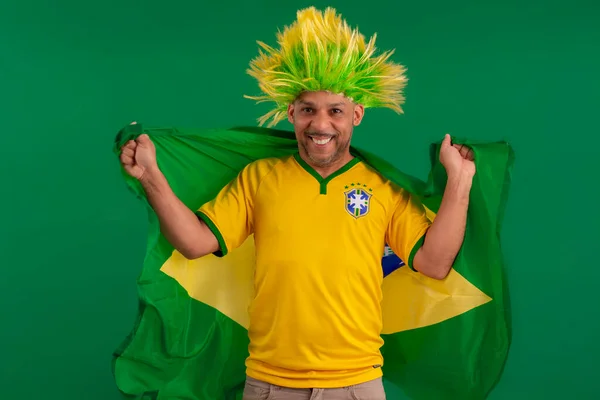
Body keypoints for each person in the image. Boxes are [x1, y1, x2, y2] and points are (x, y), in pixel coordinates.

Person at [119, 7, 475, 400]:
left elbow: (433, 263)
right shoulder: (259, 177)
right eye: (308, 110)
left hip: (357, 384)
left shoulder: (383, 188)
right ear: (291, 112)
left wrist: (459, 181)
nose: (320, 124)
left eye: (335, 111)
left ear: (356, 114)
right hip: (270, 384)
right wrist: (151, 177)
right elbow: (195, 242)